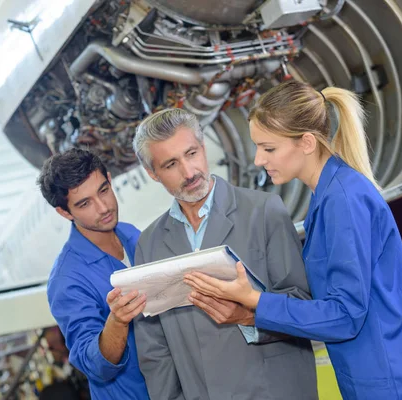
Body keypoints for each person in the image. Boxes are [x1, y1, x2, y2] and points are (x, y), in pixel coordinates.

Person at [183, 81, 402, 399]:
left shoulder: (342, 201)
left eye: (269, 148)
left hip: (391, 385)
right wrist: (398, 312)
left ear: (306, 142)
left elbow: (346, 315)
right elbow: (365, 289)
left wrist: (255, 299)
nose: (257, 160)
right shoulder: (329, 196)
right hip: (380, 374)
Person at [132, 108, 318, 400]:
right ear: (153, 174)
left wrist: (249, 317)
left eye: (192, 153)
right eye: (171, 164)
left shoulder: (264, 211)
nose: (189, 172)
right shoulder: (149, 244)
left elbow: (304, 304)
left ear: (203, 148)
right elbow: (154, 348)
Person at [38, 148, 149, 400]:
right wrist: (118, 322)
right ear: (65, 212)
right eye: (84, 203)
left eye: (103, 190)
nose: (103, 207)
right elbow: (95, 365)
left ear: (110, 180)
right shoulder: (66, 280)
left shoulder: (130, 234)